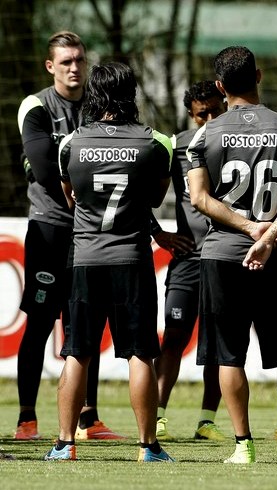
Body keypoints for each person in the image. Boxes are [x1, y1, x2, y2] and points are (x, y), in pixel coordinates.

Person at [186, 45, 277, 465]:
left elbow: (199, 198)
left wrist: (248, 228)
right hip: (272, 256)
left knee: (229, 354)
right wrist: (269, 235)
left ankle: (242, 446)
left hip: (221, 255)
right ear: (260, 76)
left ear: (219, 86)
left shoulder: (205, 134)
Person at [47, 61, 174, 462]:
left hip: (85, 258)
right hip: (132, 259)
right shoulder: (157, 142)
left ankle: (65, 444)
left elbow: (71, 197)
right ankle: (148, 447)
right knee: (140, 353)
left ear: (94, 93)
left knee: (77, 351)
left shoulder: (70, 143)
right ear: (130, 93)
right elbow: (155, 198)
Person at [16, 30, 122, 441]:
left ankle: (88, 418)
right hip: (49, 228)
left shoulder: (101, 107)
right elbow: (41, 168)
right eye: (66, 62)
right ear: (50, 66)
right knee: (40, 322)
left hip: (90, 234)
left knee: (86, 324)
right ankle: (27, 417)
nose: (75, 67)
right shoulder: (37, 105)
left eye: (79, 60)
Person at [151, 80, 227, 441]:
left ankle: (207, 421)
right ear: (190, 115)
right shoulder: (175, 146)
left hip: (225, 257)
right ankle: (158, 416)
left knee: (218, 341)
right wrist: (158, 233)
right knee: (174, 338)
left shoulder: (236, 142)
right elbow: (141, 193)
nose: (209, 119)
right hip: (186, 259)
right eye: (202, 114)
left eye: (215, 111)